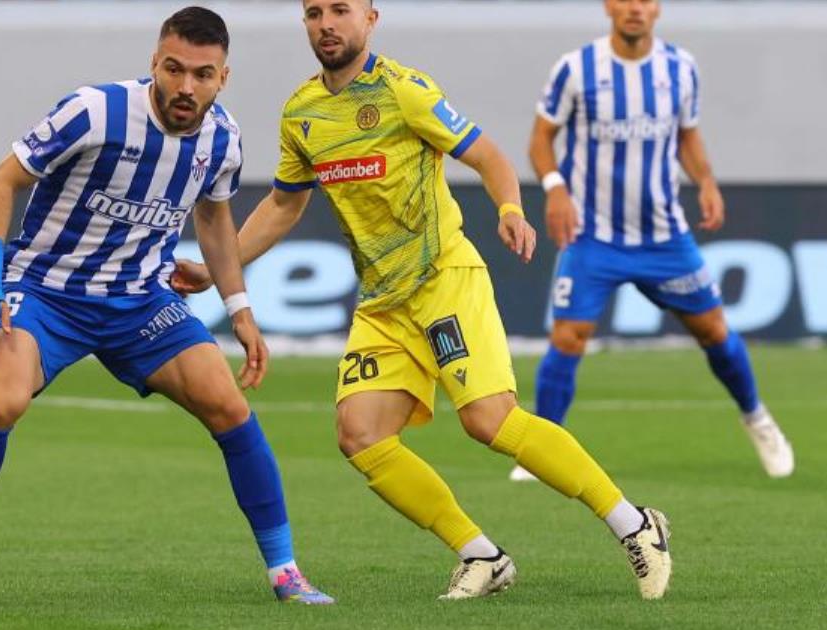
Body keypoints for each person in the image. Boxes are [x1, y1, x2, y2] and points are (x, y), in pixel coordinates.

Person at [177, 0, 672, 601]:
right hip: (383, 302)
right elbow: (284, 204)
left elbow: (487, 154)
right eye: (314, 12)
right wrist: (217, 269)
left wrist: (510, 208)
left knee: (489, 421)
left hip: (443, 279)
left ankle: (634, 524)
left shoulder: (404, 90)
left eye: (340, 10)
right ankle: (481, 554)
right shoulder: (302, 112)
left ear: (370, 19)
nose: (326, 23)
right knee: (360, 434)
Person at [0, 7, 332, 605]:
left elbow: (214, 219)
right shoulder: (95, 111)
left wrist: (240, 309)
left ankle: (285, 572)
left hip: (140, 302)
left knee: (228, 405)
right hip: (45, 291)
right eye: (174, 69)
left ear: (223, 78)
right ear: (154, 64)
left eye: (202, 74)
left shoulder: (223, 139)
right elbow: (1, 182)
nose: (186, 86)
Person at [519, 0, 794, 482]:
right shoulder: (576, 68)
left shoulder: (680, 68)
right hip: (593, 234)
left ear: (657, 9)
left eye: (644, 0)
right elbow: (541, 139)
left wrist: (705, 180)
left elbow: (687, 136)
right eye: (625, 0)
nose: (635, 9)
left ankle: (757, 418)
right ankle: (543, 450)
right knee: (568, 336)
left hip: (663, 236)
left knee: (713, 331)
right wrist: (555, 188)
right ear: (609, 6)